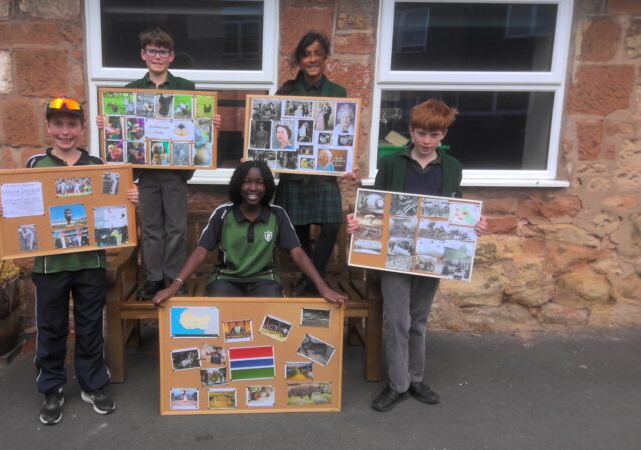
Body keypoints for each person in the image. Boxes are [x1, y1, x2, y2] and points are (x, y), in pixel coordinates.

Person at [0, 97, 140, 425]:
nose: (65, 131)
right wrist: (2, 211)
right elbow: (19, 209)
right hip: (50, 266)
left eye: (72, 124)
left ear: (83, 128)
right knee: (52, 328)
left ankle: (92, 384)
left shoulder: (98, 165)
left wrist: (129, 200)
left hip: (90, 263)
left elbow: (112, 207)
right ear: (48, 127)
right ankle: (52, 387)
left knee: (89, 328)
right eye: (58, 124)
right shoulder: (34, 165)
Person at [347, 99, 487, 412]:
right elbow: (376, 204)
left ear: (444, 135)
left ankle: (416, 378)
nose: (426, 141)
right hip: (394, 255)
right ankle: (398, 384)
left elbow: (456, 208)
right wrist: (360, 222)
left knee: (418, 320)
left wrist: (472, 225)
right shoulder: (393, 163)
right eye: (421, 133)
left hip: (432, 255)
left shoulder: (452, 168)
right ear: (411, 131)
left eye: (433, 135)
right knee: (397, 319)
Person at [97, 27, 221, 299]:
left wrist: (210, 123)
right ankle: (154, 279)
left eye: (162, 51)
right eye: (152, 50)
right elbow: (121, 133)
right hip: (147, 173)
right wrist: (107, 125)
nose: (157, 56)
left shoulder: (185, 88)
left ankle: (174, 280)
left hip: (174, 172)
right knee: (151, 229)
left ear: (171, 56)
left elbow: (197, 128)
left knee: (176, 229)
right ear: (143, 55)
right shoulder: (131, 92)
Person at [152, 160, 347, 306]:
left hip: (264, 280)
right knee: (219, 311)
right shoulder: (223, 214)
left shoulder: (277, 215)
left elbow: (297, 252)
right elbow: (201, 251)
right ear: (238, 185)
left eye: (260, 182)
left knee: (273, 314)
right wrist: (174, 285)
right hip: (226, 279)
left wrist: (322, 287)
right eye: (247, 182)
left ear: (267, 186)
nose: (253, 188)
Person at [274, 31, 358, 297]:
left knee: (332, 225)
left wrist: (346, 160)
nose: (312, 59)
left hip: (324, 173)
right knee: (297, 230)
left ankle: (312, 280)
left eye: (317, 54)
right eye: (306, 54)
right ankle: (310, 279)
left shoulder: (338, 92)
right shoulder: (286, 91)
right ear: (299, 59)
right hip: (294, 174)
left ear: (325, 58)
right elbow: (273, 131)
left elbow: (344, 134)